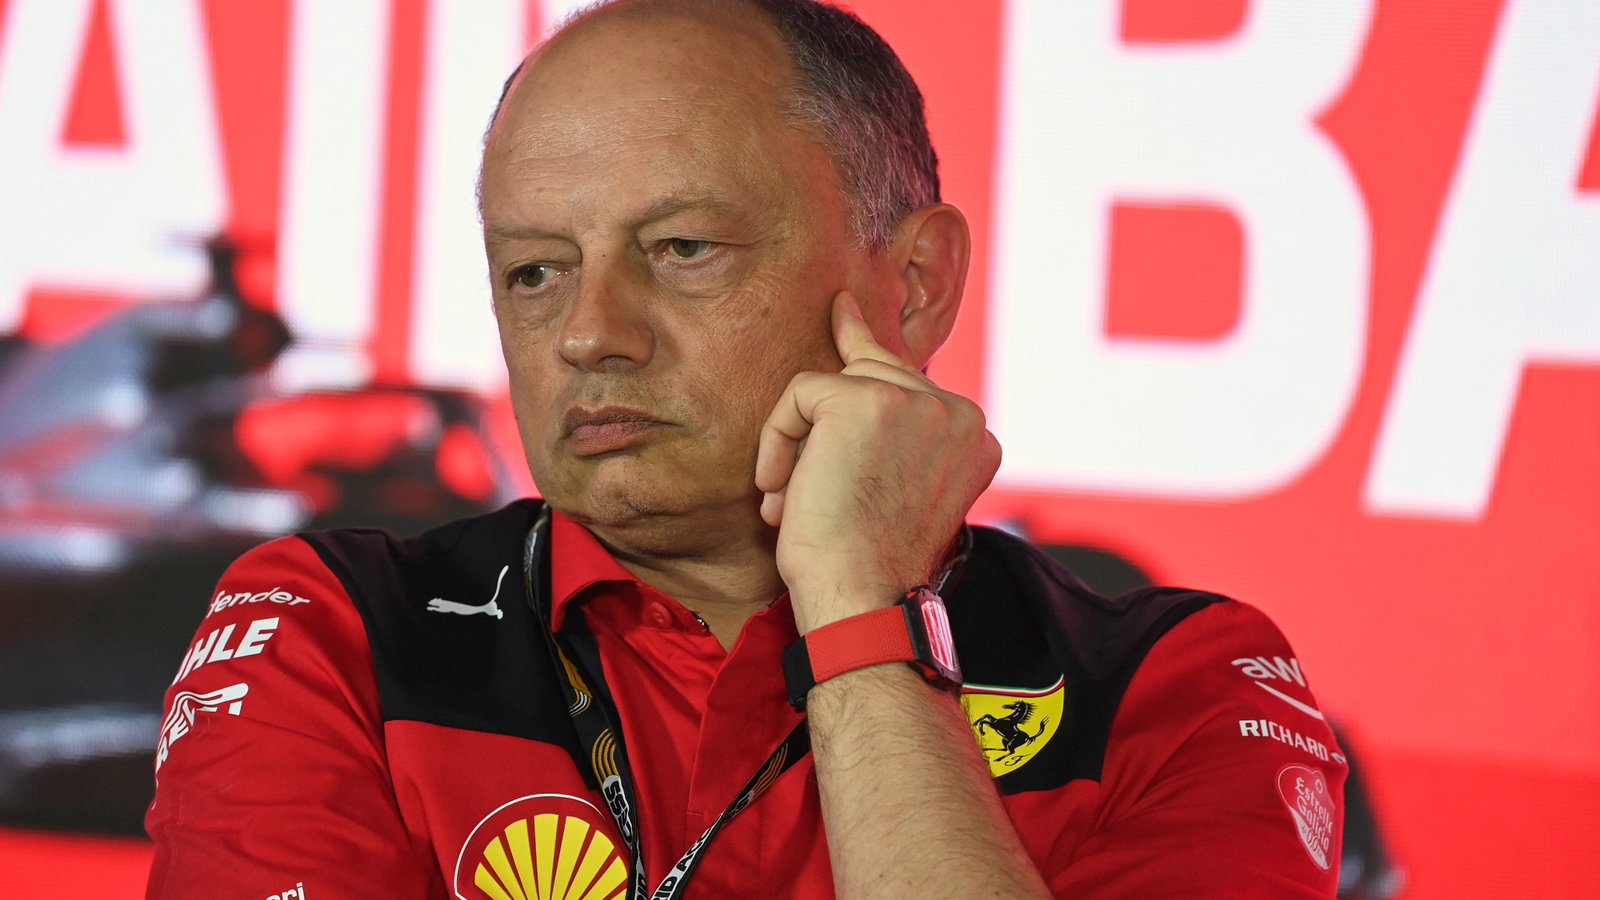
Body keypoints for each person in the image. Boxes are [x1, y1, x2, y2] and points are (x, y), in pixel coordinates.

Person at [144, 1, 1346, 897]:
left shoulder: (1182, 688)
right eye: (534, 271)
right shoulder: (329, 631)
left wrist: (860, 613)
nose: (589, 336)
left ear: (915, 284)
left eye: (681, 249)